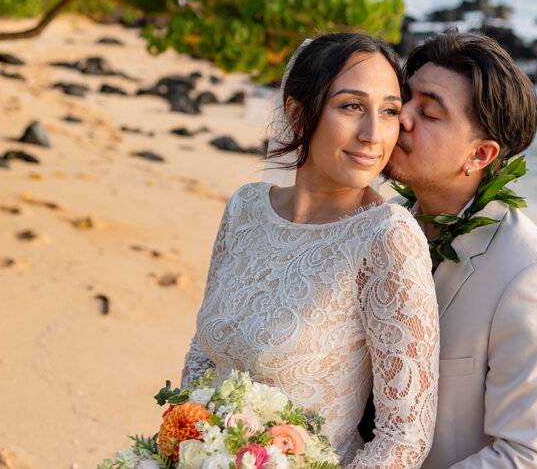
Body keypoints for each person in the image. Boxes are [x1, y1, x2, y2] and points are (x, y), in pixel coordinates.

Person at [181, 33, 440, 468]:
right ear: (298, 115)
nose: (373, 134)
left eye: (390, 111)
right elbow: (202, 352)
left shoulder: (387, 237)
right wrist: (185, 442)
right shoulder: (245, 208)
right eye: (352, 106)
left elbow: (404, 437)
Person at [384, 31, 537, 469]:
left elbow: (530, 456)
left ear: (479, 155)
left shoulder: (530, 277)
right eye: (405, 98)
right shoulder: (380, 224)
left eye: (429, 112)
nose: (401, 117)